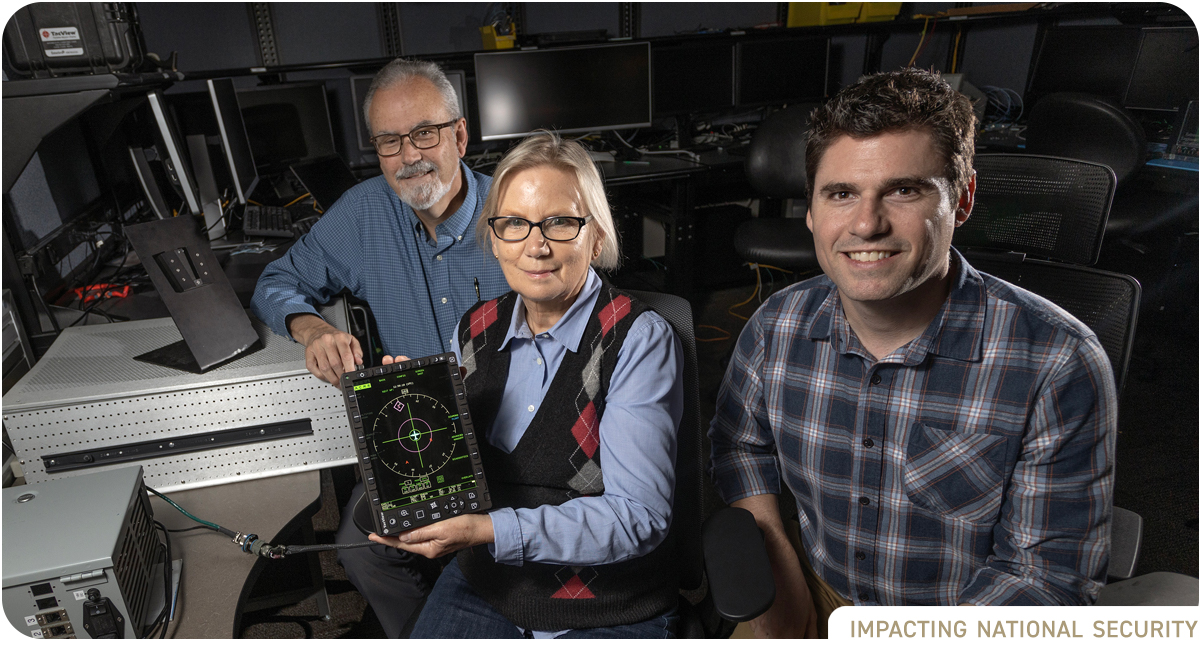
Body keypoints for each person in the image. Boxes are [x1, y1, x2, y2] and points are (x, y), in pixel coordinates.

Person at [709, 68, 1117, 637]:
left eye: (904, 190)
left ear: (964, 198)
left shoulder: (1057, 361)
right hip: (816, 594)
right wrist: (780, 568)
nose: (866, 223)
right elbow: (740, 445)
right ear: (810, 211)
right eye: (841, 193)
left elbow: (1046, 578)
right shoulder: (776, 325)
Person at [368, 131, 685, 638]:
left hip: (604, 604)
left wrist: (488, 530)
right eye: (515, 223)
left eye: (559, 223)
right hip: (490, 585)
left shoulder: (637, 339)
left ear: (596, 236)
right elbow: (457, 473)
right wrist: (413, 420)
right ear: (493, 238)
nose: (535, 246)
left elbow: (636, 517)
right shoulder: (473, 328)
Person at [249, 58, 509, 638]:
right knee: (361, 544)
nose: (409, 155)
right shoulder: (366, 213)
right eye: (389, 141)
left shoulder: (513, 215)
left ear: (459, 135)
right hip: (420, 433)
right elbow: (276, 282)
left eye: (424, 133)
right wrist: (311, 328)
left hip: (513, 428)